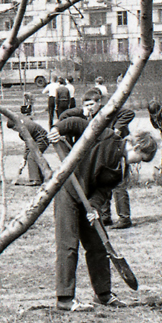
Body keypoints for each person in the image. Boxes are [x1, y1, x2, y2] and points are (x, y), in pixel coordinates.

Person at [46, 115, 156, 311]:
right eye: (140, 159)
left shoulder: (120, 171)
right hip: (68, 190)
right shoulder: (106, 137)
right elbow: (78, 124)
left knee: (98, 246)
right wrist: (59, 128)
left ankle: (103, 295)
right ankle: (65, 298)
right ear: (136, 147)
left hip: (87, 200)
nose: (137, 163)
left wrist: (95, 208)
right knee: (68, 245)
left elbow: (103, 191)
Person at [62, 88, 136, 227]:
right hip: (106, 153)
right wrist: (82, 112)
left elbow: (129, 113)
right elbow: (64, 116)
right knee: (102, 181)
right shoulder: (88, 116)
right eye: (86, 105)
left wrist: (117, 129)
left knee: (118, 184)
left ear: (99, 102)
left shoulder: (107, 111)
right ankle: (105, 215)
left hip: (120, 150)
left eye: (92, 105)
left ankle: (124, 218)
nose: (90, 108)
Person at [10, 115, 50, 186]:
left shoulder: (25, 128)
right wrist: (24, 158)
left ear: (16, 126)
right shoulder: (23, 125)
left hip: (42, 139)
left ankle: (35, 180)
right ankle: (44, 176)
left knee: (32, 156)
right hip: (37, 140)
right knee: (36, 157)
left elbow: (29, 145)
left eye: (14, 128)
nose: (15, 130)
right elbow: (29, 144)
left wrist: (24, 158)